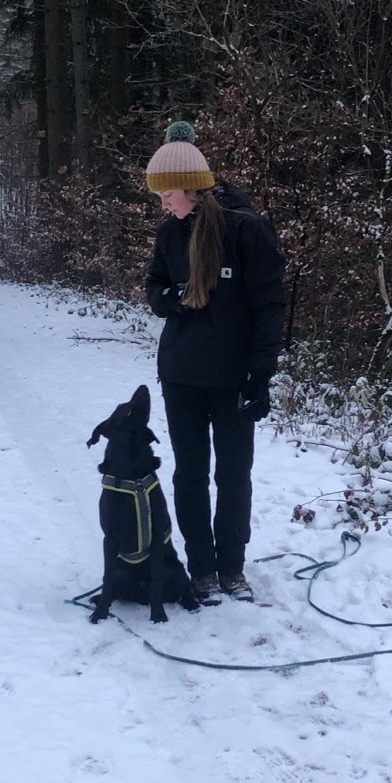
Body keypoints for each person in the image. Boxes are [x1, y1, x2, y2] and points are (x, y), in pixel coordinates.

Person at [145, 121, 285, 605]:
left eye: (167, 194)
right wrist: (170, 298)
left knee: (233, 475)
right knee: (190, 474)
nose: (164, 204)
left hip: (233, 379)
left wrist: (259, 377)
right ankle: (202, 570)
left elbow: (269, 305)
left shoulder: (246, 230)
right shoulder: (170, 234)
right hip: (181, 375)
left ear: (189, 188)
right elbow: (154, 287)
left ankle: (232, 568)